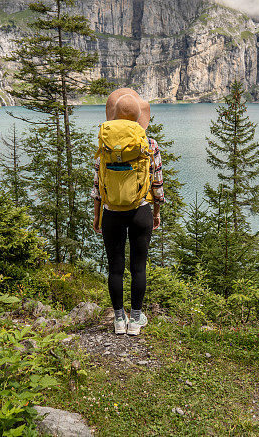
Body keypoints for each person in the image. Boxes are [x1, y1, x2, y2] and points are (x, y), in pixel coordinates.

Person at [91, 88, 165, 335]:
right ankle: (135, 320)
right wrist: (155, 212)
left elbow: (97, 185)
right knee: (138, 267)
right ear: (139, 117)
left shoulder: (104, 143)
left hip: (111, 211)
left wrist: (96, 215)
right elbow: (157, 185)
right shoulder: (150, 144)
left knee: (114, 267)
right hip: (140, 210)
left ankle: (118, 320)